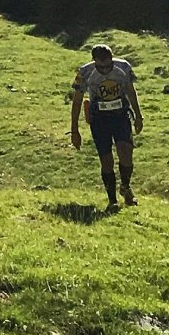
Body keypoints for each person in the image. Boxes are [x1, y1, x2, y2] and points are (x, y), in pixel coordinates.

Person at [71, 42, 143, 211]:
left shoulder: (123, 68)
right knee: (106, 160)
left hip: (121, 116)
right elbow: (76, 101)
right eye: (101, 66)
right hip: (99, 119)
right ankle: (112, 200)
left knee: (126, 152)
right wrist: (74, 130)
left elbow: (131, 91)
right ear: (94, 61)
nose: (105, 70)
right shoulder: (85, 72)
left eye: (108, 65)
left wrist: (138, 116)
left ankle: (125, 187)